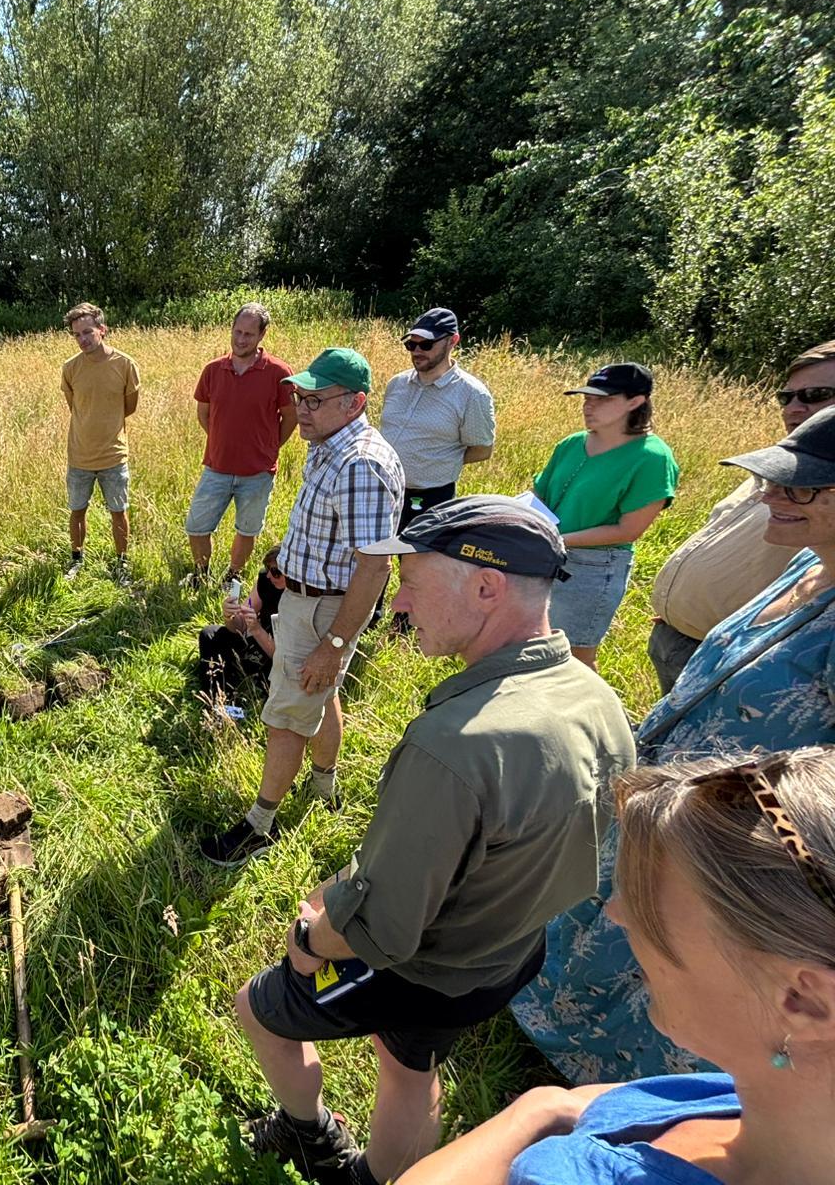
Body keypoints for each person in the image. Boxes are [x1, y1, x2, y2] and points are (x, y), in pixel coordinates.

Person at [235, 496, 634, 1185]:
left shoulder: (456, 746)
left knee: (259, 1010)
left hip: (427, 968)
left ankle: (313, 1136)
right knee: (409, 1063)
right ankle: (380, 1178)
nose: (401, 604)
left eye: (414, 582)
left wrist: (308, 944)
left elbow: (385, 932)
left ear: (486, 586)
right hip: (509, 953)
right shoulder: (593, 694)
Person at [514, 406, 835, 1084]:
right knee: (607, 920)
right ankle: (541, 1034)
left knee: (673, 954)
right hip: (666, 804)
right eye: (775, 480)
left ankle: (617, 1094)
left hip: (736, 845)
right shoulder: (806, 564)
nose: (772, 495)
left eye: (800, 487)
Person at [400, 746, 835, 1185]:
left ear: (804, 1000)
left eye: (650, 904)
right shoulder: (770, 1093)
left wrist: (533, 1114)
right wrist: (551, 1106)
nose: (617, 912)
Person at [199, 349, 403, 864]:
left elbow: (373, 568)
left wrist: (333, 643)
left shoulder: (360, 465)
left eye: (315, 399)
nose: (301, 409)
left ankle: (259, 825)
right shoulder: (329, 445)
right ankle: (323, 786)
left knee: (285, 718)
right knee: (318, 695)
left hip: (324, 612)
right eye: (299, 397)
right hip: (303, 601)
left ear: (355, 403)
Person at [647, 339, 835, 693]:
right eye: (787, 397)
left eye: (816, 394)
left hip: (748, 664)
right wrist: (681, 604)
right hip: (686, 639)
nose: (795, 407)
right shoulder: (770, 469)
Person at [532, 363, 679, 670]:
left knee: (574, 660)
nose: (589, 405)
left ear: (635, 402)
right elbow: (540, 494)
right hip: (544, 554)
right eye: (587, 398)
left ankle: (591, 716)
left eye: (603, 399)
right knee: (534, 644)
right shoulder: (572, 443)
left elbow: (628, 530)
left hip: (593, 567)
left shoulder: (652, 457)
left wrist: (559, 538)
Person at [184, 302, 296, 583]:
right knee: (197, 526)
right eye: (237, 331)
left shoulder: (279, 372)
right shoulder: (213, 370)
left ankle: (232, 575)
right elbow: (204, 413)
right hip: (217, 466)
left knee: (247, 529)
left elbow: (290, 417)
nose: (240, 339)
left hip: (258, 472)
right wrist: (223, 440)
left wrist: (270, 447)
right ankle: (201, 574)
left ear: (261, 336)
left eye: (248, 334)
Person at [380, 308, 495, 532]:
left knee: (417, 565)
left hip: (430, 499)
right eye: (411, 345)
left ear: (452, 341)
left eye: (426, 345)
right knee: (371, 558)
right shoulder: (397, 383)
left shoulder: (472, 394)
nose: (417, 351)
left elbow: (482, 450)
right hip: (381, 489)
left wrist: (437, 462)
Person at [61, 301, 140, 579]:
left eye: (87, 332)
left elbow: (129, 406)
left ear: (102, 330)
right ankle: (76, 559)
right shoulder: (70, 368)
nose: (82, 339)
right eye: (77, 335)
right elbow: (76, 405)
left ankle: (122, 562)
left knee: (119, 511)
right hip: (79, 455)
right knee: (77, 510)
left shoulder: (125, 364)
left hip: (113, 456)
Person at [198, 547, 285, 694]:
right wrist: (230, 616)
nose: (270, 575)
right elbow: (239, 626)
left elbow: (283, 657)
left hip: (277, 656)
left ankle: (244, 687)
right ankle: (219, 697)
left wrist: (257, 630)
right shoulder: (266, 581)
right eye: (268, 569)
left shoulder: (301, 597)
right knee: (210, 634)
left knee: (276, 673)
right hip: (255, 643)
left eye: (276, 572)